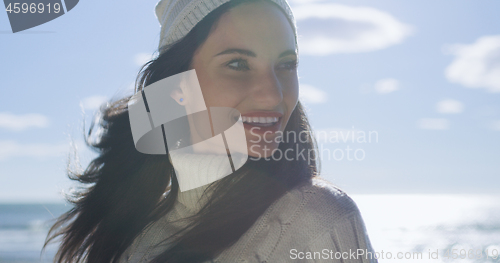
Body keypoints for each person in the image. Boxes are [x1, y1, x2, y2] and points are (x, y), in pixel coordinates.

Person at [44, 0, 378, 262]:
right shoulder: (136, 234)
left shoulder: (318, 219)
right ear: (176, 85)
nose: (273, 94)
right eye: (237, 64)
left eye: (286, 64)